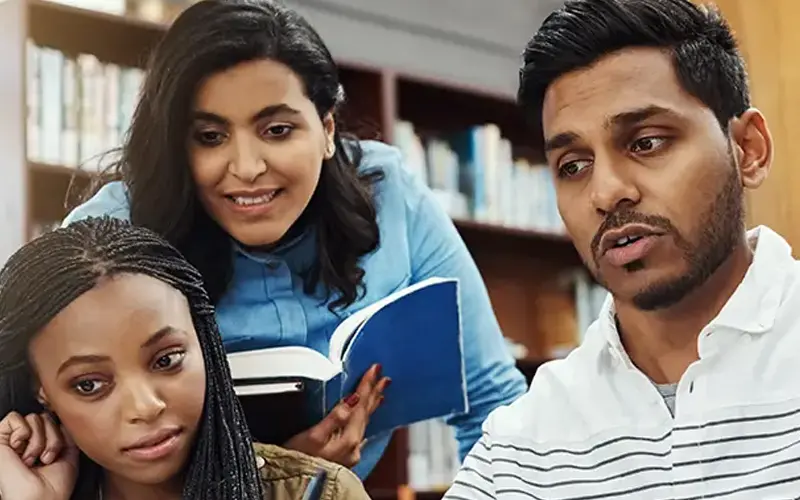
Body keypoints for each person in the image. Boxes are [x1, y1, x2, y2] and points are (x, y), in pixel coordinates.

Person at [62, 0, 527, 479]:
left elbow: (494, 404)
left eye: (277, 130)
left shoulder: (389, 193)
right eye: (210, 137)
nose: (246, 168)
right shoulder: (112, 232)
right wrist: (282, 477)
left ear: (326, 129)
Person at [445, 0, 800, 498]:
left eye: (647, 142)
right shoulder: (522, 450)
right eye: (573, 165)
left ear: (748, 150)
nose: (605, 192)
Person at [0, 217, 372, 500]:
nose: (146, 407)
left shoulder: (324, 493)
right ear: (42, 390)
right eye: (90, 384)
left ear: (204, 344)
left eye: (166, 360)